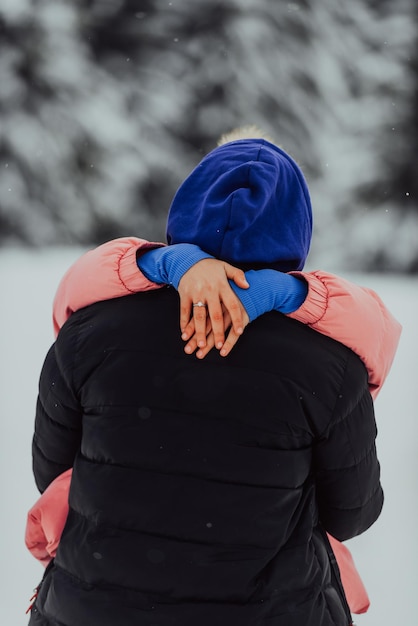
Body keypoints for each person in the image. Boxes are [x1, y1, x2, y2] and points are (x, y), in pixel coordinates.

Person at [28, 130, 393, 625]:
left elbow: (52, 472)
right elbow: (352, 512)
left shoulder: (90, 331)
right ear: (295, 232)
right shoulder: (330, 365)